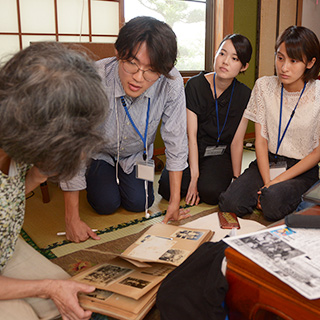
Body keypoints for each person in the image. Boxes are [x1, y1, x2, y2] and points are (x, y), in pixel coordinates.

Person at [0, 42, 109, 320]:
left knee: (76, 299)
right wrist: (47, 288)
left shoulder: (15, 133)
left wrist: (36, 176)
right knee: (23, 313)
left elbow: (5, 199)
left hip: (6, 247)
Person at [60, 16, 189, 243]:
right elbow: (73, 145)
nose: (139, 77)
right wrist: (72, 219)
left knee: (141, 203)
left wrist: (175, 202)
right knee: (105, 204)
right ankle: (102, 172)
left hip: (137, 153)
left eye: (151, 70)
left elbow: (176, 139)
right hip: (100, 150)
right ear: (119, 53)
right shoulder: (94, 78)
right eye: (132, 63)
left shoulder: (171, 81)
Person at [219, 25, 320, 221]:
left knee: (272, 203)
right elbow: (261, 140)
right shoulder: (264, 86)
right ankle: (274, 196)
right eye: (280, 57)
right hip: (268, 161)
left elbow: (317, 153)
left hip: (301, 169)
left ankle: (301, 197)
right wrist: (267, 181)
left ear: (310, 63)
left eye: (294, 60)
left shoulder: (318, 93)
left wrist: (274, 184)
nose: (284, 67)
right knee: (230, 203)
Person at [158, 34, 252, 205]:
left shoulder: (245, 94)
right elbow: (190, 136)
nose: (225, 61)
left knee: (211, 193)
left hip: (219, 153)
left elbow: (237, 142)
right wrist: (194, 179)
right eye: (222, 54)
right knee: (167, 188)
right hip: (191, 150)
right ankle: (196, 179)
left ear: (244, 66)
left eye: (234, 58)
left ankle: (206, 181)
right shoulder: (195, 85)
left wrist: (236, 179)